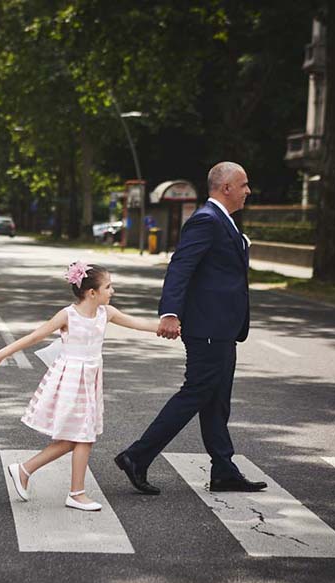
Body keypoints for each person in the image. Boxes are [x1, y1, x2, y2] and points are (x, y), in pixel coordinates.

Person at [114, 161, 267, 495]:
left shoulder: (223, 222)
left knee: (216, 401)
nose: (248, 191)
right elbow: (180, 266)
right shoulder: (206, 220)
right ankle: (136, 456)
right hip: (208, 327)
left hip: (222, 327)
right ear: (226, 187)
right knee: (196, 394)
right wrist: (169, 312)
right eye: (243, 185)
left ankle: (223, 470)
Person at [0, 263, 159, 511]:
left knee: (72, 439)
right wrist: (0, 354)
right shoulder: (68, 315)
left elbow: (137, 323)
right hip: (70, 380)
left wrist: (168, 326)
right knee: (83, 436)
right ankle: (76, 493)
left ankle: (24, 469)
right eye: (108, 286)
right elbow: (34, 337)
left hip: (90, 379)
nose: (113, 291)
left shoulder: (106, 313)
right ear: (91, 293)